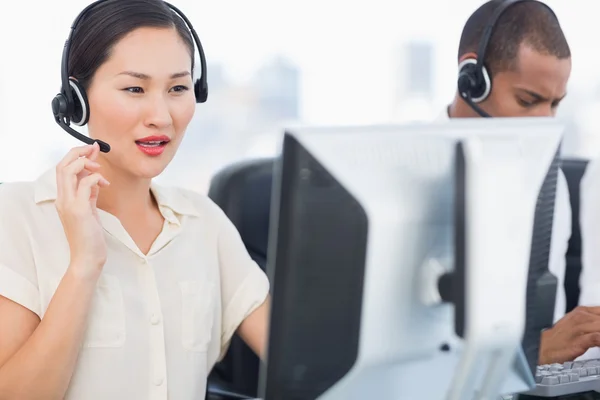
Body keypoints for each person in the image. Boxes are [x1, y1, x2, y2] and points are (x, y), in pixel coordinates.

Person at [0, 1, 270, 399]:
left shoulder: (204, 222)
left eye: (178, 88)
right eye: (134, 89)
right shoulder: (16, 216)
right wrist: (84, 265)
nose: (161, 115)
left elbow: (306, 362)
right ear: (77, 99)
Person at [442, 0, 600, 364]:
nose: (544, 123)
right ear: (472, 80)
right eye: (528, 100)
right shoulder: (402, 183)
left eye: (555, 104)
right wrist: (531, 357)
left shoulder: (549, 184)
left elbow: (546, 336)